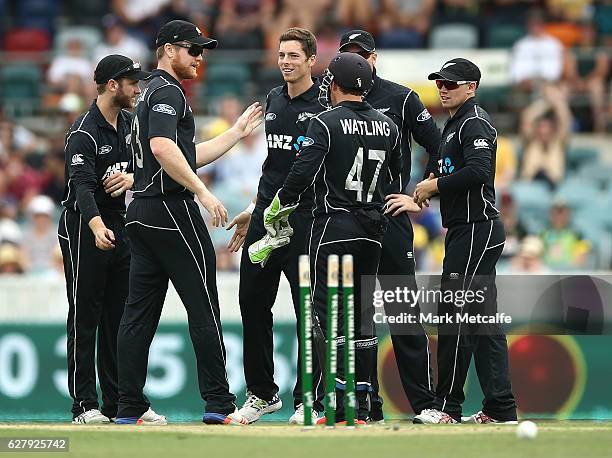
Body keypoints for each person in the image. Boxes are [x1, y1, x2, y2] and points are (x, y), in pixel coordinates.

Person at [115, 20, 262, 426]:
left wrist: (234, 133)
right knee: (204, 309)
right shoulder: (168, 91)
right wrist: (203, 192)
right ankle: (219, 403)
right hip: (171, 211)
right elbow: (163, 149)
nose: (200, 57)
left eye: (202, 50)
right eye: (192, 49)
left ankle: (129, 405)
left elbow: (182, 153)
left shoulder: (148, 94)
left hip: (141, 213)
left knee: (138, 314)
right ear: (166, 50)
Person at [265, 52, 402, 423]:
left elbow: (300, 173)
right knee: (362, 318)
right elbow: (396, 175)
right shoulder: (388, 126)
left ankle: (339, 404)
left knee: (326, 319)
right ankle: (369, 403)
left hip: (334, 228)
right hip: (373, 230)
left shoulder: (324, 123)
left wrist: (278, 207)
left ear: (335, 85)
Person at [337, 29, 439, 421]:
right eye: (348, 53)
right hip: (348, 219)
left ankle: (425, 404)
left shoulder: (402, 97)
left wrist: (418, 193)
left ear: (374, 57)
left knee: (402, 310)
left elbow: (439, 144)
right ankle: (365, 405)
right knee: (356, 315)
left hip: (391, 215)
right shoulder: (328, 98)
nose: (356, 59)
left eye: (361, 53)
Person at [227, 27, 326, 425]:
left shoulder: (325, 103)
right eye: (282, 55)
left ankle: (307, 401)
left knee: (308, 310)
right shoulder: (272, 99)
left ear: (311, 60)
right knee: (252, 303)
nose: (286, 62)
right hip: (266, 217)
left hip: (304, 220)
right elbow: (274, 164)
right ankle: (262, 394)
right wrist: (255, 208)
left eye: (294, 56)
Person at [412, 58, 517, 424]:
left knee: (454, 316)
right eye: (440, 82)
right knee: (483, 322)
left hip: (477, 228)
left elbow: (479, 171)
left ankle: (446, 407)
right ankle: (500, 407)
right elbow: (451, 173)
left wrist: (434, 186)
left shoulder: (474, 121)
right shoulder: (455, 123)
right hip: (467, 230)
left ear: (471, 87)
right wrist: (424, 192)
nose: (443, 88)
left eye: (452, 84)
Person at [57, 54, 150, 424]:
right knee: (84, 317)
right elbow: (80, 187)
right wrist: (96, 227)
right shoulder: (83, 131)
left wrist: (132, 179)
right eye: (132, 82)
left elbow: (147, 167)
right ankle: (84, 404)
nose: (137, 88)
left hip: (119, 223)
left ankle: (117, 404)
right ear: (113, 85)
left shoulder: (129, 124)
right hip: (84, 225)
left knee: (119, 317)